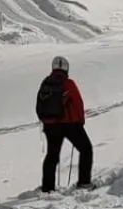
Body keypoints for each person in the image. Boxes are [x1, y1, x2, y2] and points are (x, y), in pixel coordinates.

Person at [34, 55, 92, 192]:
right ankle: (84, 182)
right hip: (70, 124)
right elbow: (78, 103)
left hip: (50, 125)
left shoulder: (46, 82)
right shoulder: (68, 83)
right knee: (86, 149)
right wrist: (81, 120)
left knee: (52, 156)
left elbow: (39, 105)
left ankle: (47, 188)